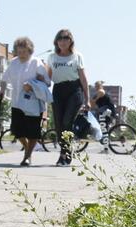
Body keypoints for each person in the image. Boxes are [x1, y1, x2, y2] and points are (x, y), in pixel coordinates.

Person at [0, 37, 51, 166]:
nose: (21, 54)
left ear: (30, 51)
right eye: (19, 51)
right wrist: (2, 89)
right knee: (17, 130)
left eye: (24, 52)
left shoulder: (36, 62)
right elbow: (4, 78)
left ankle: (27, 156)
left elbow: (47, 82)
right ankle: (28, 148)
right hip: (16, 102)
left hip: (32, 103)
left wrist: (34, 84)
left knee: (33, 131)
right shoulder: (14, 62)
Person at [47, 29, 90, 166]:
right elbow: (47, 77)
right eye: (60, 38)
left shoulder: (77, 56)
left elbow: (83, 79)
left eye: (66, 38)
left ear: (70, 40)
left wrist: (87, 99)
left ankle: (65, 154)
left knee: (67, 121)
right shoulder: (52, 57)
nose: (62, 41)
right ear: (56, 41)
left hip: (74, 90)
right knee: (59, 123)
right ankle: (64, 152)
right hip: (58, 90)